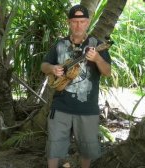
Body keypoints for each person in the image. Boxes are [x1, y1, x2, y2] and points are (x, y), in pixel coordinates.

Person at [41, 4, 111, 168]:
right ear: (69, 23)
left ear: (87, 22)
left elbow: (107, 72)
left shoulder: (97, 45)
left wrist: (97, 59)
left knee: (87, 150)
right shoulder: (59, 44)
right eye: (74, 22)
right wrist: (52, 68)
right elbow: (44, 65)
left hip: (87, 108)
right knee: (54, 147)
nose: (78, 25)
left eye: (82, 21)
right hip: (60, 107)